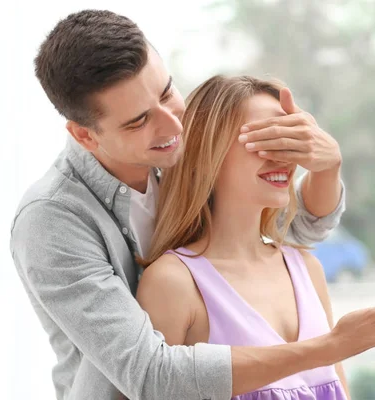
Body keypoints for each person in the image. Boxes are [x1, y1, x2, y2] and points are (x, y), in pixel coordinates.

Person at [10, 9, 375, 400]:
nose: (175, 125)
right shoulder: (52, 221)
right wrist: (332, 347)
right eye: (139, 120)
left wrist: (326, 167)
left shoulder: (172, 149)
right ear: (86, 135)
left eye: (168, 91)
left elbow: (296, 227)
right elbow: (151, 374)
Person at [137, 75, 352, 399]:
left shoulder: (307, 270)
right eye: (267, 140)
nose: (283, 157)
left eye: (290, 141)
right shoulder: (173, 283)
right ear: (209, 152)